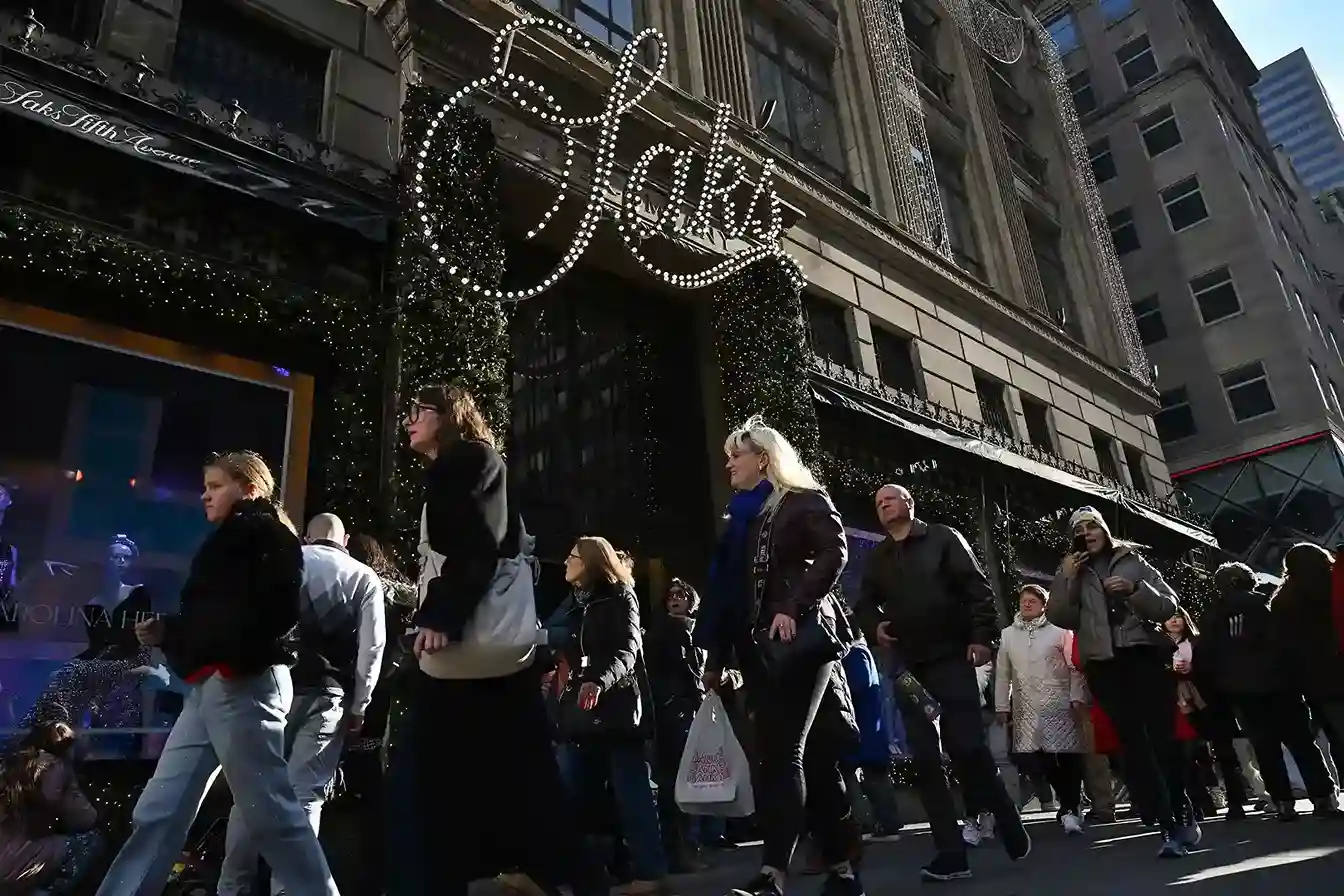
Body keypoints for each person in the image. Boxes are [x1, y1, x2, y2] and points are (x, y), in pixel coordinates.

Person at [95, 450, 340, 896]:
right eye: (206, 487)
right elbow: (221, 618)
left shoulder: (265, 537)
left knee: (271, 814)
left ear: (249, 488)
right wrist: (173, 631)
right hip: (216, 683)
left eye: (216, 487)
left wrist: (219, 649)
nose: (205, 496)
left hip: (241, 682)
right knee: (161, 807)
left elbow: (269, 617)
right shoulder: (240, 540)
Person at [400, 384, 589, 896]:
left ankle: (548, 872)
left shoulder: (470, 461)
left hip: (469, 640)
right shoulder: (467, 464)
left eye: (419, 411)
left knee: (449, 768)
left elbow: (476, 545)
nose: (409, 420)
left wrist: (442, 616)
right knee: (515, 766)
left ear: (449, 416)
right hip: (484, 651)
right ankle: (558, 872)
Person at [696, 416, 862, 896]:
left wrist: (793, 605)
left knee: (781, 753)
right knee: (807, 757)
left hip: (799, 639)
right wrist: (717, 657)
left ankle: (773, 874)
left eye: (737, 455)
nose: (729, 463)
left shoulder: (803, 501)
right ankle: (843, 871)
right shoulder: (741, 519)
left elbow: (836, 552)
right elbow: (729, 594)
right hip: (754, 647)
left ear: (763, 459)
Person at [855, 484, 1027, 882]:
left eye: (890, 499)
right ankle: (951, 854)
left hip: (952, 657)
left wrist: (982, 637)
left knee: (967, 747)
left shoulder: (942, 538)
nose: (883, 505)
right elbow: (864, 602)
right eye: (878, 503)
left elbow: (978, 589)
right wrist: (873, 624)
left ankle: (1003, 812)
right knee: (925, 761)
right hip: (909, 667)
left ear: (909, 503)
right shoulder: (879, 557)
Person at [218, 513, 387, 896]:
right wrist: (361, 704)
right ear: (344, 541)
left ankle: (231, 888)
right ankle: (290, 890)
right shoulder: (364, 578)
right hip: (328, 696)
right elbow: (371, 649)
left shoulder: (284, 563)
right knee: (305, 796)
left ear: (307, 536)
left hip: (270, 689)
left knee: (251, 792)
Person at [1046, 506, 1192, 858]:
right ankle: (1166, 823)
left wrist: (1134, 590)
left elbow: (1168, 606)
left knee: (1162, 738)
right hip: (1104, 665)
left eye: (1092, 525)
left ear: (1104, 529)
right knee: (1133, 743)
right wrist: (1066, 578)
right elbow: (1060, 617)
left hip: (1141, 656)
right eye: (1079, 528)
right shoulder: (1071, 570)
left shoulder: (1133, 561)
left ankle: (1180, 807)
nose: (1086, 532)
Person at [553, 536, 666, 895]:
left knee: (630, 789)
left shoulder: (621, 597)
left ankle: (651, 874)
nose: (566, 563)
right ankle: (568, 871)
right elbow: (548, 634)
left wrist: (599, 681)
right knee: (570, 789)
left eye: (572, 557)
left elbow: (628, 648)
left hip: (616, 711)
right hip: (581, 716)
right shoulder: (574, 603)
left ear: (590, 562)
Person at [994, 585, 1087, 836]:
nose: (1027, 604)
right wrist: (1002, 705)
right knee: (1035, 758)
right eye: (1023, 600)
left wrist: (1077, 696)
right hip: (1025, 706)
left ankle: (1070, 808)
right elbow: (1003, 674)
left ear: (1043, 605)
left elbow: (1074, 667)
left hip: (1060, 701)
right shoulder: (1007, 635)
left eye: (1032, 601)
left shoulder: (1060, 633)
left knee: (1067, 755)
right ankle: (1068, 801)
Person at [646, 578, 713, 872]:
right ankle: (679, 850)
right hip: (672, 713)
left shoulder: (700, 632)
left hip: (694, 710)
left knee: (693, 781)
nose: (674, 599)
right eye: (670, 594)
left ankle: (691, 845)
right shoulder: (660, 632)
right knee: (675, 782)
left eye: (681, 594)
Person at [1271, 542, 1344, 808]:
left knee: (1336, 736)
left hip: (1315, 681)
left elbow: (1282, 646)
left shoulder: (1284, 600)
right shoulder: (1335, 586)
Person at [0, 721, 101, 894]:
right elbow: (85, 818)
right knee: (90, 842)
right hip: (13, 863)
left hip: (9, 856)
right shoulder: (52, 766)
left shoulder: (10, 761)